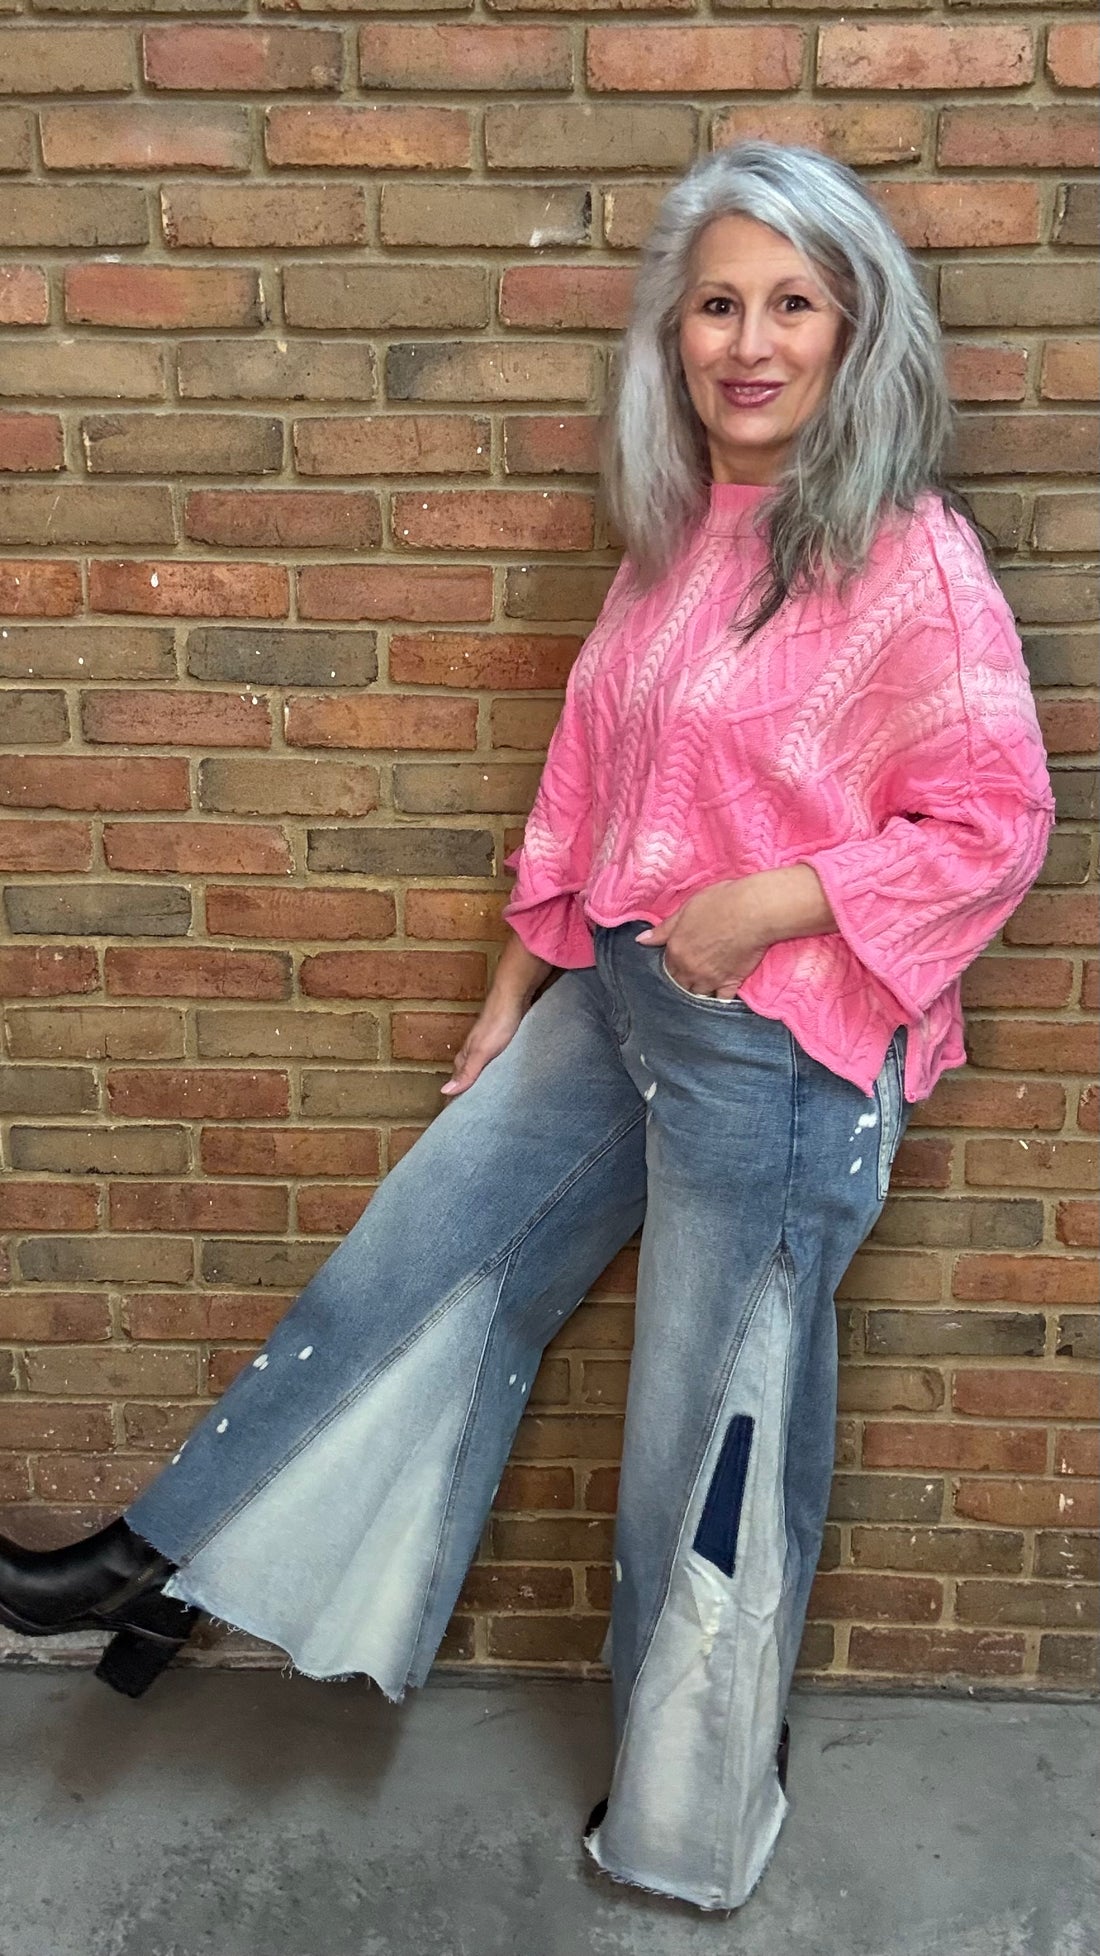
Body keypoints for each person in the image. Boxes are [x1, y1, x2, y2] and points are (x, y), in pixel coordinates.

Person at [0, 142, 1055, 1913]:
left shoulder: (905, 559)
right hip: (617, 995)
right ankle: (153, 1565)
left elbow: (995, 820)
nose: (749, 341)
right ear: (674, 333)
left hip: (783, 1050)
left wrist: (769, 901)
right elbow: (589, 773)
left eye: (792, 304)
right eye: (717, 302)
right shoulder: (679, 539)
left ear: (854, 330)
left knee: (699, 1440)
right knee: (410, 1260)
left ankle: (692, 1805)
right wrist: (510, 992)